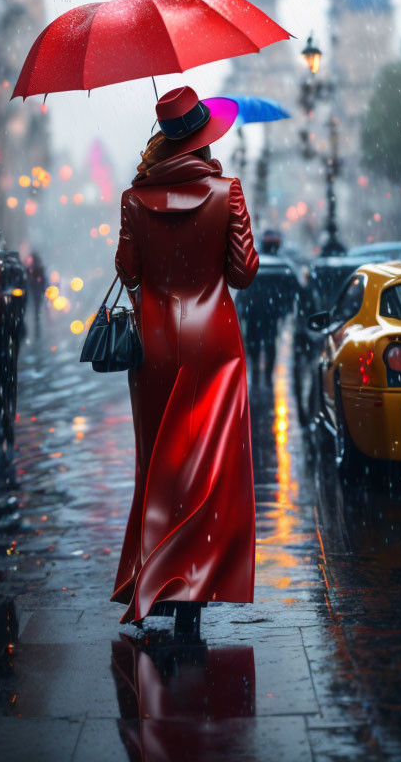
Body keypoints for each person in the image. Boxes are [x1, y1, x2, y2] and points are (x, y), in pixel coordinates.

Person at [111, 86, 259, 638]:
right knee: (211, 469)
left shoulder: (132, 198)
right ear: (202, 137)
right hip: (215, 343)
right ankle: (195, 581)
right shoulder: (228, 191)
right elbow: (243, 272)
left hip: (155, 344)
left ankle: (161, 580)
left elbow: (127, 271)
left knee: (161, 467)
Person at [235, 229, 298, 388]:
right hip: (270, 313)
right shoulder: (282, 265)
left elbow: (243, 289)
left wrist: (242, 309)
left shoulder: (255, 261)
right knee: (269, 343)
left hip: (254, 312)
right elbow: (291, 291)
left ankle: (256, 374)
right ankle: (266, 375)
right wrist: (285, 309)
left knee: (255, 343)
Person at [25, 251, 47, 337]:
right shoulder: (38, 268)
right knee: (36, 311)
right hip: (36, 292)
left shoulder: (34, 268)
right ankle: (36, 327)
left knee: (34, 310)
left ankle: (36, 328)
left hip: (34, 292)